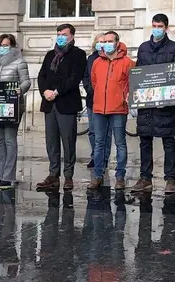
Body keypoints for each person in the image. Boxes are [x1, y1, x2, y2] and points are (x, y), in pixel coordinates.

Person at [131, 13, 175, 194]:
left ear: (166, 28)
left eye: (160, 26)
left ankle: (170, 179)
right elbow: (139, 73)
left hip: (165, 105)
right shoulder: (144, 48)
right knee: (144, 141)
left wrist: (169, 97)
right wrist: (134, 99)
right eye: (154, 25)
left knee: (169, 142)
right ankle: (145, 177)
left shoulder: (174, 49)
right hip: (146, 104)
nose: (156, 29)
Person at [36, 23, 87, 192]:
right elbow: (42, 75)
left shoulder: (78, 54)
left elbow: (74, 78)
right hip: (49, 104)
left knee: (68, 141)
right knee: (51, 141)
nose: (60, 36)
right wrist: (45, 91)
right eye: (58, 33)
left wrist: (57, 92)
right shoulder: (51, 54)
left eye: (64, 34)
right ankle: (53, 174)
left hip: (66, 103)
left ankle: (68, 176)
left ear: (72, 36)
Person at [88, 30, 134, 191]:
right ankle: (98, 175)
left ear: (116, 43)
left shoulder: (127, 62)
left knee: (120, 143)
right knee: (99, 143)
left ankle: (120, 176)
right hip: (99, 108)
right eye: (104, 41)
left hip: (119, 108)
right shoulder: (97, 62)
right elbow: (94, 82)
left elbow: (131, 84)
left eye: (109, 41)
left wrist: (123, 98)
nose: (106, 44)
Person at [0, 33, 31, 190]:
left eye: (6, 45)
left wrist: (20, 90)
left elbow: (26, 81)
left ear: (12, 46)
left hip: (13, 105)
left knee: (9, 139)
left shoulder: (20, 61)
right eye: (0, 45)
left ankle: (8, 176)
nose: (2, 48)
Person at [83, 33, 105, 170]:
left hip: (105, 99)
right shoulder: (91, 58)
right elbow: (86, 77)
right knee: (92, 131)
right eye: (99, 41)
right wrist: (90, 89)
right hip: (92, 99)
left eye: (103, 41)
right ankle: (94, 156)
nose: (101, 44)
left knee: (104, 133)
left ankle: (103, 158)